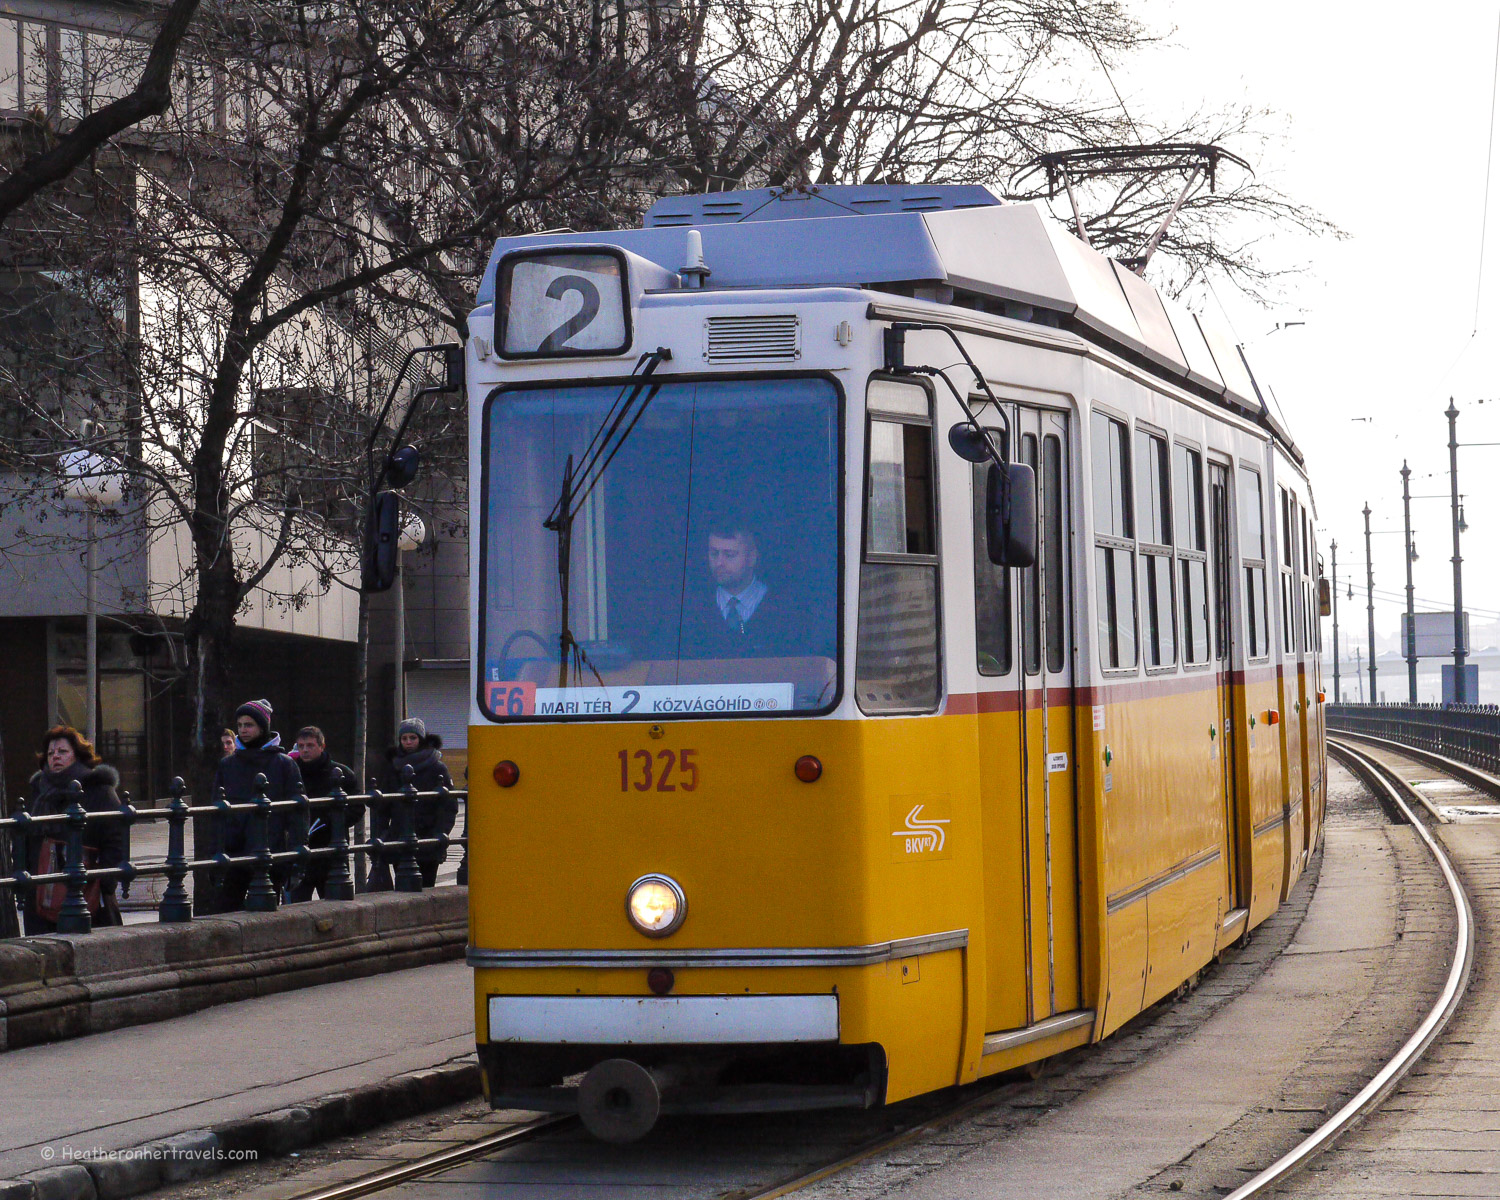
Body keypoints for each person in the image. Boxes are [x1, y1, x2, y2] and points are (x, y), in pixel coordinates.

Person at [19, 725, 128, 934]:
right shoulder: (39, 792)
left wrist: (104, 882)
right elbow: (26, 842)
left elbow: (116, 840)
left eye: (62, 751)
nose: (55, 757)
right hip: (42, 901)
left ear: (76, 755)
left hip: (87, 898)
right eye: (51, 753)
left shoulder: (99, 790)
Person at [212, 699, 301, 911]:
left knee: (265, 911)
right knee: (228, 911)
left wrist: (296, 859)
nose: (243, 730)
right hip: (234, 853)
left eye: (249, 725)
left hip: (270, 851)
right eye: (240, 725)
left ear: (263, 727)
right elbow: (216, 813)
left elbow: (297, 812)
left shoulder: (284, 764)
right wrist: (215, 853)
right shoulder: (228, 765)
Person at [680, 521, 799, 659]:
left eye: (729, 555)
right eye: (714, 553)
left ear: (752, 557)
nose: (719, 563)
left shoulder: (786, 609)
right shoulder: (691, 609)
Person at [370, 718, 456, 890]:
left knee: (426, 886)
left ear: (421, 739)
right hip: (399, 839)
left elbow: (448, 806)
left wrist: (439, 834)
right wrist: (384, 835)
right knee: (402, 888)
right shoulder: (393, 767)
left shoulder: (437, 768)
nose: (408, 742)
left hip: (428, 840)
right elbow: (383, 805)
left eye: (413, 738)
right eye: (404, 738)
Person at [287, 726, 360, 902]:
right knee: (295, 907)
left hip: (330, 850)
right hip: (300, 851)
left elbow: (357, 807)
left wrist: (333, 822)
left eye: (310, 745)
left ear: (322, 746)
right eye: (301, 745)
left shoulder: (341, 774)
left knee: (335, 904)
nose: (305, 750)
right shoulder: (291, 772)